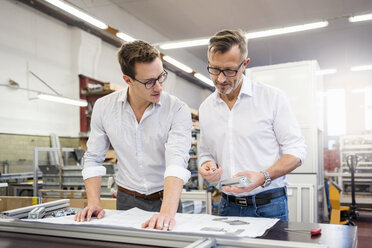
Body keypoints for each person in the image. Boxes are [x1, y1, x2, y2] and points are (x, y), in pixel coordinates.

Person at [75, 40, 192, 231]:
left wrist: (167, 213)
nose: (159, 87)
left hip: (167, 199)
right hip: (126, 199)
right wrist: (94, 202)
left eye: (161, 77)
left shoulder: (177, 108)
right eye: (149, 82)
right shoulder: (104, 108)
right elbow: (93, 158)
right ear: (128, 80)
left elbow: (177, 160)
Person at [198, 29, 306, 221]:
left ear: (244, 64)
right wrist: (207, 164)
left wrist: (263, 176)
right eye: (214, 69)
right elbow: (206, 152)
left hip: (269, 206)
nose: (221, 79)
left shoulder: (271, 98)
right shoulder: (206, 108)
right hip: (227, 205)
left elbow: (297, 151)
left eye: (229, 70)